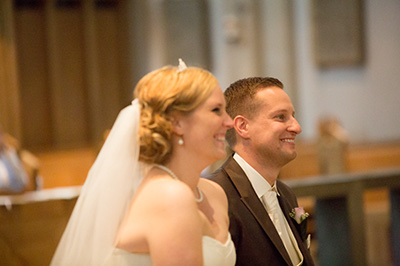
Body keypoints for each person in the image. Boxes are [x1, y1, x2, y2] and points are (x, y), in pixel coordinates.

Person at [51, 59, 236, 266]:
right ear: (176, 122)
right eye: (216, 110)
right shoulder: (169, 196)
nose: (229, 122)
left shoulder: (214, 193)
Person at [208, 77, 315, 266]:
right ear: (243, 126)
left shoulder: (286, 193)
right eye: (280, 117)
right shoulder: (218, 197)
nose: (297, 127)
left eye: (293, 116)